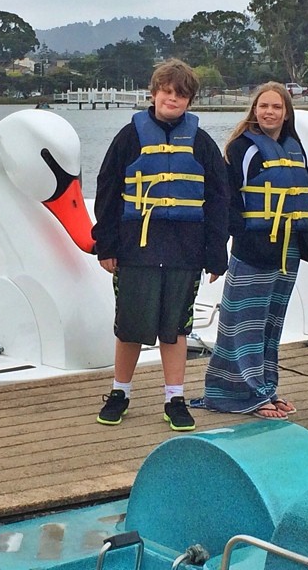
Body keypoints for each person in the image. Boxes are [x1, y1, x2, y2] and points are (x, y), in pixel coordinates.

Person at [92, 59, 229, 431]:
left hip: (186, 250)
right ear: (154, 93)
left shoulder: (201, 142)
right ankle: (120, 392)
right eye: (167, 92)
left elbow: (219, 198)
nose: (172, 99)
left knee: (176, 327)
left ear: (189, 101)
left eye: (180, 95)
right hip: (136, 247)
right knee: (130, 325)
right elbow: (107, 191)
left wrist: (217, 252)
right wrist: (105, 245)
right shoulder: (129, 136)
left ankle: (175, 399)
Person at [192, 81, 308, 420]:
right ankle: (237, 393)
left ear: (286, 112)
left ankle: (266, 388)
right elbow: (227, 197)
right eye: (264, 106)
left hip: (288, 248)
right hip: (254, 246)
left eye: (276, 107)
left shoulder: (294, 147)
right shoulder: (241, 148)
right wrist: (242, 235)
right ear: (254, 110)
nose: (269, 112)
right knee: (242, 323)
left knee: (270, 324)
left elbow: (303, 192)